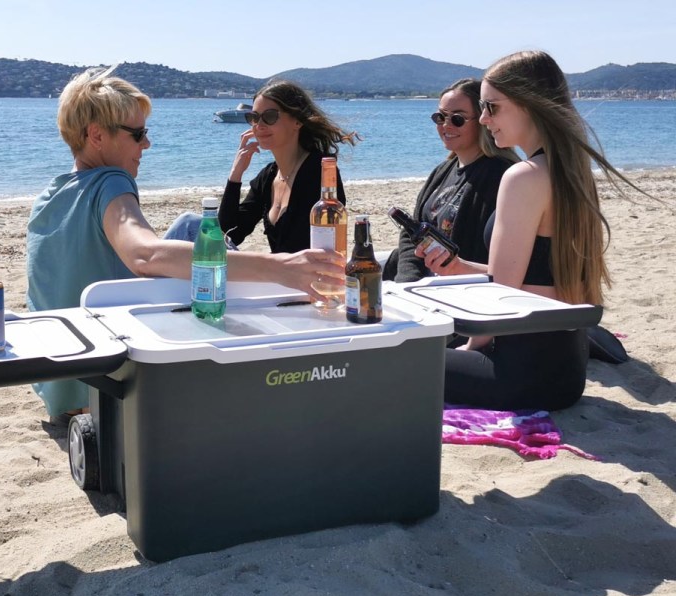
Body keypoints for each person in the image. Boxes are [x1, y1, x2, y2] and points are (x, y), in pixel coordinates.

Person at [26, 67, 345, 423]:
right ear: (97, 136)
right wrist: (281, 268)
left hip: (58, 386)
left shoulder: (47, 198)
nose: (146, 143)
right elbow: (144, 254)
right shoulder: (111, 182)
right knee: (196, 232)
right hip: (106, 389)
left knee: (194, 226)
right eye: (138, 134)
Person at [419, 50, 645, 411]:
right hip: (566, 370)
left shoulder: (522, 177)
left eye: (492, 107)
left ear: (529, 105)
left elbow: (501, 294)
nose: (483, 119)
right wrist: (461, 266)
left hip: (518, 372)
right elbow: (532, 279)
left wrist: (472, 346)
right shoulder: (569, 169)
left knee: (393, 358)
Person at [382, 78, 518, 282]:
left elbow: (494, 255)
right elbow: (412, 233)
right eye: (440, 117)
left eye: (457, 119)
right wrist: (409, 282)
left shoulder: (500, 175)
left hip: (461, 289)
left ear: (482, 121)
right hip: (424, 287)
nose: (446, 125)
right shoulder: (442, 171)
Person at [218, 80, 359, 253]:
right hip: (275, 274)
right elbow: (231, 233)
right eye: (253, 117)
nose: (259, 126)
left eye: (269, 116)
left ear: (297, 121)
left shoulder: (320, 171)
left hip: (300, 277)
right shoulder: (268, 177)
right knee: (189, 223)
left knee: (188, 226)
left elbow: (317, 250)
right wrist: (235, 174)